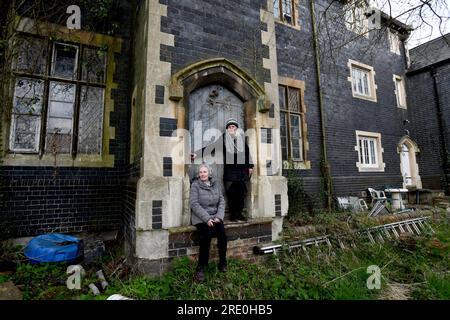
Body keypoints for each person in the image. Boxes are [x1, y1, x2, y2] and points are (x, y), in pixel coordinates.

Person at [190, 163, 227, 282]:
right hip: (200, 217)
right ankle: (201, 267)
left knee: (222, 234)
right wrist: (207, 219)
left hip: (215, 216)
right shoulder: (195, 185)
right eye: (200, 172)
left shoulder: (216, 184)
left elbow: (221, 201)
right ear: (198, 174)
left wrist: (219, 217)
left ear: (209, 173)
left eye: (204, 172)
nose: (202, 174)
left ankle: (223, 262)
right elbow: (194, 204)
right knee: (206, 235)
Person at [223, 118, 253, 221]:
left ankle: (239, 214)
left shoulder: (241, 139)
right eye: (230, 127)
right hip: (230, 172)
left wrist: (250, 166)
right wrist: (197, 153)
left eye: (234, 127)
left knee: (241, 194)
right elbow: (211, 147)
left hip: (242, 171)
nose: (232, 128)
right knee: (232, 195)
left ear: (237, 129)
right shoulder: (223, 139)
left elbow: (248, 153)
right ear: (227, 129)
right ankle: (233, 215)